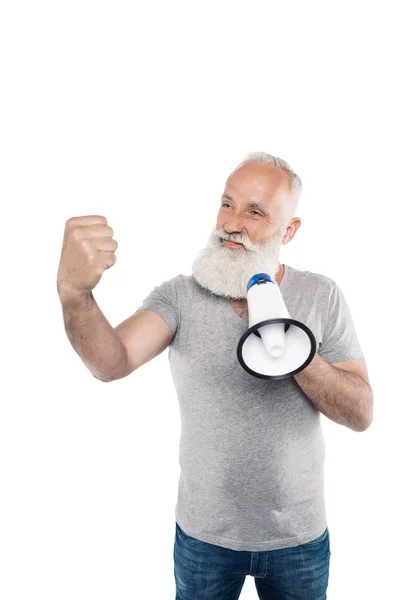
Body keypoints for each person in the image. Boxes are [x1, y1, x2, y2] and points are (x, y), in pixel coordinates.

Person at [57, 152, 373, 600]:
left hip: (298, 537)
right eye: (227, 204)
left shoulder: (321, 295)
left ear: (290, 230)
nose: (232, 222)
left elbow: (361, 413)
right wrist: (75, 295)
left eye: (255, 211)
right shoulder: (180, 295)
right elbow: (112, 362)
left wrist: (293, 346)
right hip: (204, 536)